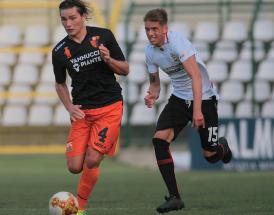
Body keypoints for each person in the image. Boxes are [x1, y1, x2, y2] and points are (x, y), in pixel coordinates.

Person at [143, 8, 232, 214]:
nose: (150, 33)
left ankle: (222, 148)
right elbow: (155, 83)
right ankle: (175, 197)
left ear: (165, 28)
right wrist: (152, 94)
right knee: (159, 140)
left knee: (210, 155)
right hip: (179, 99)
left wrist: (198, 111)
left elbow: (196, 77)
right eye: (147, 29)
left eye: (154, 29)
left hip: (204, 98)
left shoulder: (177, 43)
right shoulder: (150, 51)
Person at [52, 1, 129, 215]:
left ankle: (79, 208)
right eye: (64, 19)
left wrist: (108, 59)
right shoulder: (59, 51)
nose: (68, 23)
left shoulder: (104, 36)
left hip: (109, 107)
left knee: (93, 160)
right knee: (74, 167)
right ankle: (96, 145)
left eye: (72, 18)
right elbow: (60, 83)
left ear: (84, 16)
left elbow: (125, 69)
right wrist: (69, 107)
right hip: (82, 113)